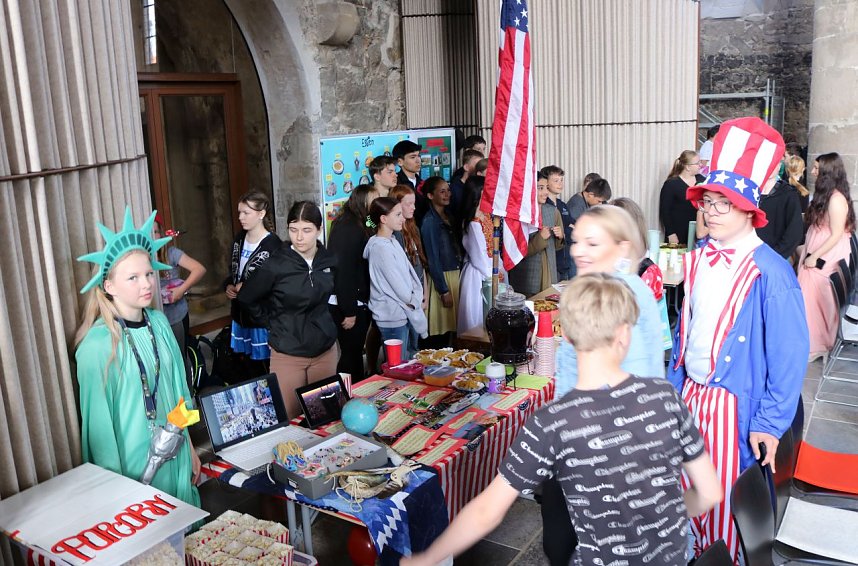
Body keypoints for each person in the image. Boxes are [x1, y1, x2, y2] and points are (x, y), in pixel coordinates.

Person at [401, 273, 722, 566]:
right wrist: (659, 525)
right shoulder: (664, 395)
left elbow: (488, 510)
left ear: (565, 337)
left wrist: (427, 558)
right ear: (625, 334)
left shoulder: (553, 422)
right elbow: (709, 493)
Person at [669, 117, 808, 561]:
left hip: (732, 406)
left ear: (749, 210)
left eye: (722, 204)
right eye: (707, 201)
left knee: (726, 502)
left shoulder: (771, 271)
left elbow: (790, 355)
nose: (710, 211)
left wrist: (769, 422)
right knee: (685, 492)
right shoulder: (697, 258)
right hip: (690, 394)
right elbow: (686, 329)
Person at [75, 208, 201, 507]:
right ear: (108, 286)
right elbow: (100, 432)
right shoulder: (96, 347)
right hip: (134, 472)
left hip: (177, 455)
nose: (146, 284)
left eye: (148, 274)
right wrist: (117, 497)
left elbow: (179, 393)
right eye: (132, 277)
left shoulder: (159, 323)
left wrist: (191, 449)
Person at [238, 202, 338, 419]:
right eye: (293, 230)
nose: (299, 237)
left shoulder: (328, 259)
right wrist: (271, 321)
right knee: (290, 419)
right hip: (288, 353)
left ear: (319, 230)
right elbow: (246, 297)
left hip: (325, 350)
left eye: (306, 230)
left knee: (325, 417)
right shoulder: (277, 263)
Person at [798, 152, 856, 361]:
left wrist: (815, 256)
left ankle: (818, 345)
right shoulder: (828, 194)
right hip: (817, 246)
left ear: (827, 172)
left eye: (816, 168)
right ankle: (811, 341)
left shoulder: (837, 199)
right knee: (809, 298)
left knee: (816, 299)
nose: (812, 172)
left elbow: (837, 233)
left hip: (827, 253)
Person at [364, 197, 428, 361]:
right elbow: (398, 285)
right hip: (392, 314)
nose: (403, 218)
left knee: (406, 361)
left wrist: (415, 296)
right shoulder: (380, 248)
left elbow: (408, 274)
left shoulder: (391, 241)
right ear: (384, 219)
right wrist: (412, 299)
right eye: (398, 214)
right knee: (397, 366)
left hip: (402, 311)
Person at [327, 185, 376, 381]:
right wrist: (348, 310)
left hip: (359, 299)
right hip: (348, 302)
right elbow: (343, 271)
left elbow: (374, 225)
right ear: (363, 201)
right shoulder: (348, 227)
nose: (378, 202)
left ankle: (356, 388)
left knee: (355, 351)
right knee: (351, 353)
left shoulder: (363, 219)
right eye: (375, 199)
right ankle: (347, 393)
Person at [225, 191, 281, 362]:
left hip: (260, 319)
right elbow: (235, 270)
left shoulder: (274, 245)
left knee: (263, 366)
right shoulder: (239, 239)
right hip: (240, 314)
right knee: (244, 364)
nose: (241, 217)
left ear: (261, 214)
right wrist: (228, 285)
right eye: (239, 212)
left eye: (246, 213)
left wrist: (249, 289)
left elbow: (276, 284)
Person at [153, 215, 207, 357]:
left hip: (176, 316)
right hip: (155, 319)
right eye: (148, 232)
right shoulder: (140, 259)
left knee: (180, 356)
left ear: (162, 233)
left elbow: (199, 269)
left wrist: (181, 290)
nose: (152, 236)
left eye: (155, 232)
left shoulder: (172, 254)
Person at [420, 176, 463, 341]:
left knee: (454, 328)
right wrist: (443, 290)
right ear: (431, 196)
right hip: (443, 277)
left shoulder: (449, 216)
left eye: (448, 190)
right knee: (442, 330)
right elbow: (433, 258)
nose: (447, 194)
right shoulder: (430, 221)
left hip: (454, 274)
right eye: (442, 191)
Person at [507, 173, 564, 297]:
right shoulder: (517, 214)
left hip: (549, 275)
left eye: (547, 188)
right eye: (540, 188)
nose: (545, 193)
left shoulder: (553, 211)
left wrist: (560, 238)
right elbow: (514, 252)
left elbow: (558, 247)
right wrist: (540, 238)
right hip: (526, 279)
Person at [457, 175, 493, 334]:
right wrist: (493, 274)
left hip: (491, 269)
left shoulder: (487, 216)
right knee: (478, 315)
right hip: (478, 275)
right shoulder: (472, 222)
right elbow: (479, 255)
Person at [756, 167, 804, 259]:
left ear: (779, 166)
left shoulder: (788, 194)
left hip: (776, 257)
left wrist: (775, 255)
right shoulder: (749, 192)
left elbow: (794, 232)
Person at [659, 150, 704, 245]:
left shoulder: (702, 180)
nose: (701, 165)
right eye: (697, 163)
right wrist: (671, 233)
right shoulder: (671, 184)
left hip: (698, 231)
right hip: (678, 232)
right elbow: (665, 211)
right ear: (688, 167)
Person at [541, 165, 575, 281]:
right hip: (551, 262)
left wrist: (564, 233)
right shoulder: (544, 206)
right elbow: (548, 231)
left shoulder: (563, 205)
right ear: (546, 183)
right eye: (556, 181)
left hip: (565, 261)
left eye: (561, 180)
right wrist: (566, 230)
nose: (560, 184)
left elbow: (574, 228)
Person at [393, 140, 426, 224]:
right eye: (412, 157)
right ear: (400, 162)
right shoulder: (394, 184)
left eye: (419, 156)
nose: (418, 160)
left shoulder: (423, 184)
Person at [449, 148, 484, 218]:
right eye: (477, 165)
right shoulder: (454, 189)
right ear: (466, 167)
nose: (480, 168)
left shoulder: (479, 186)